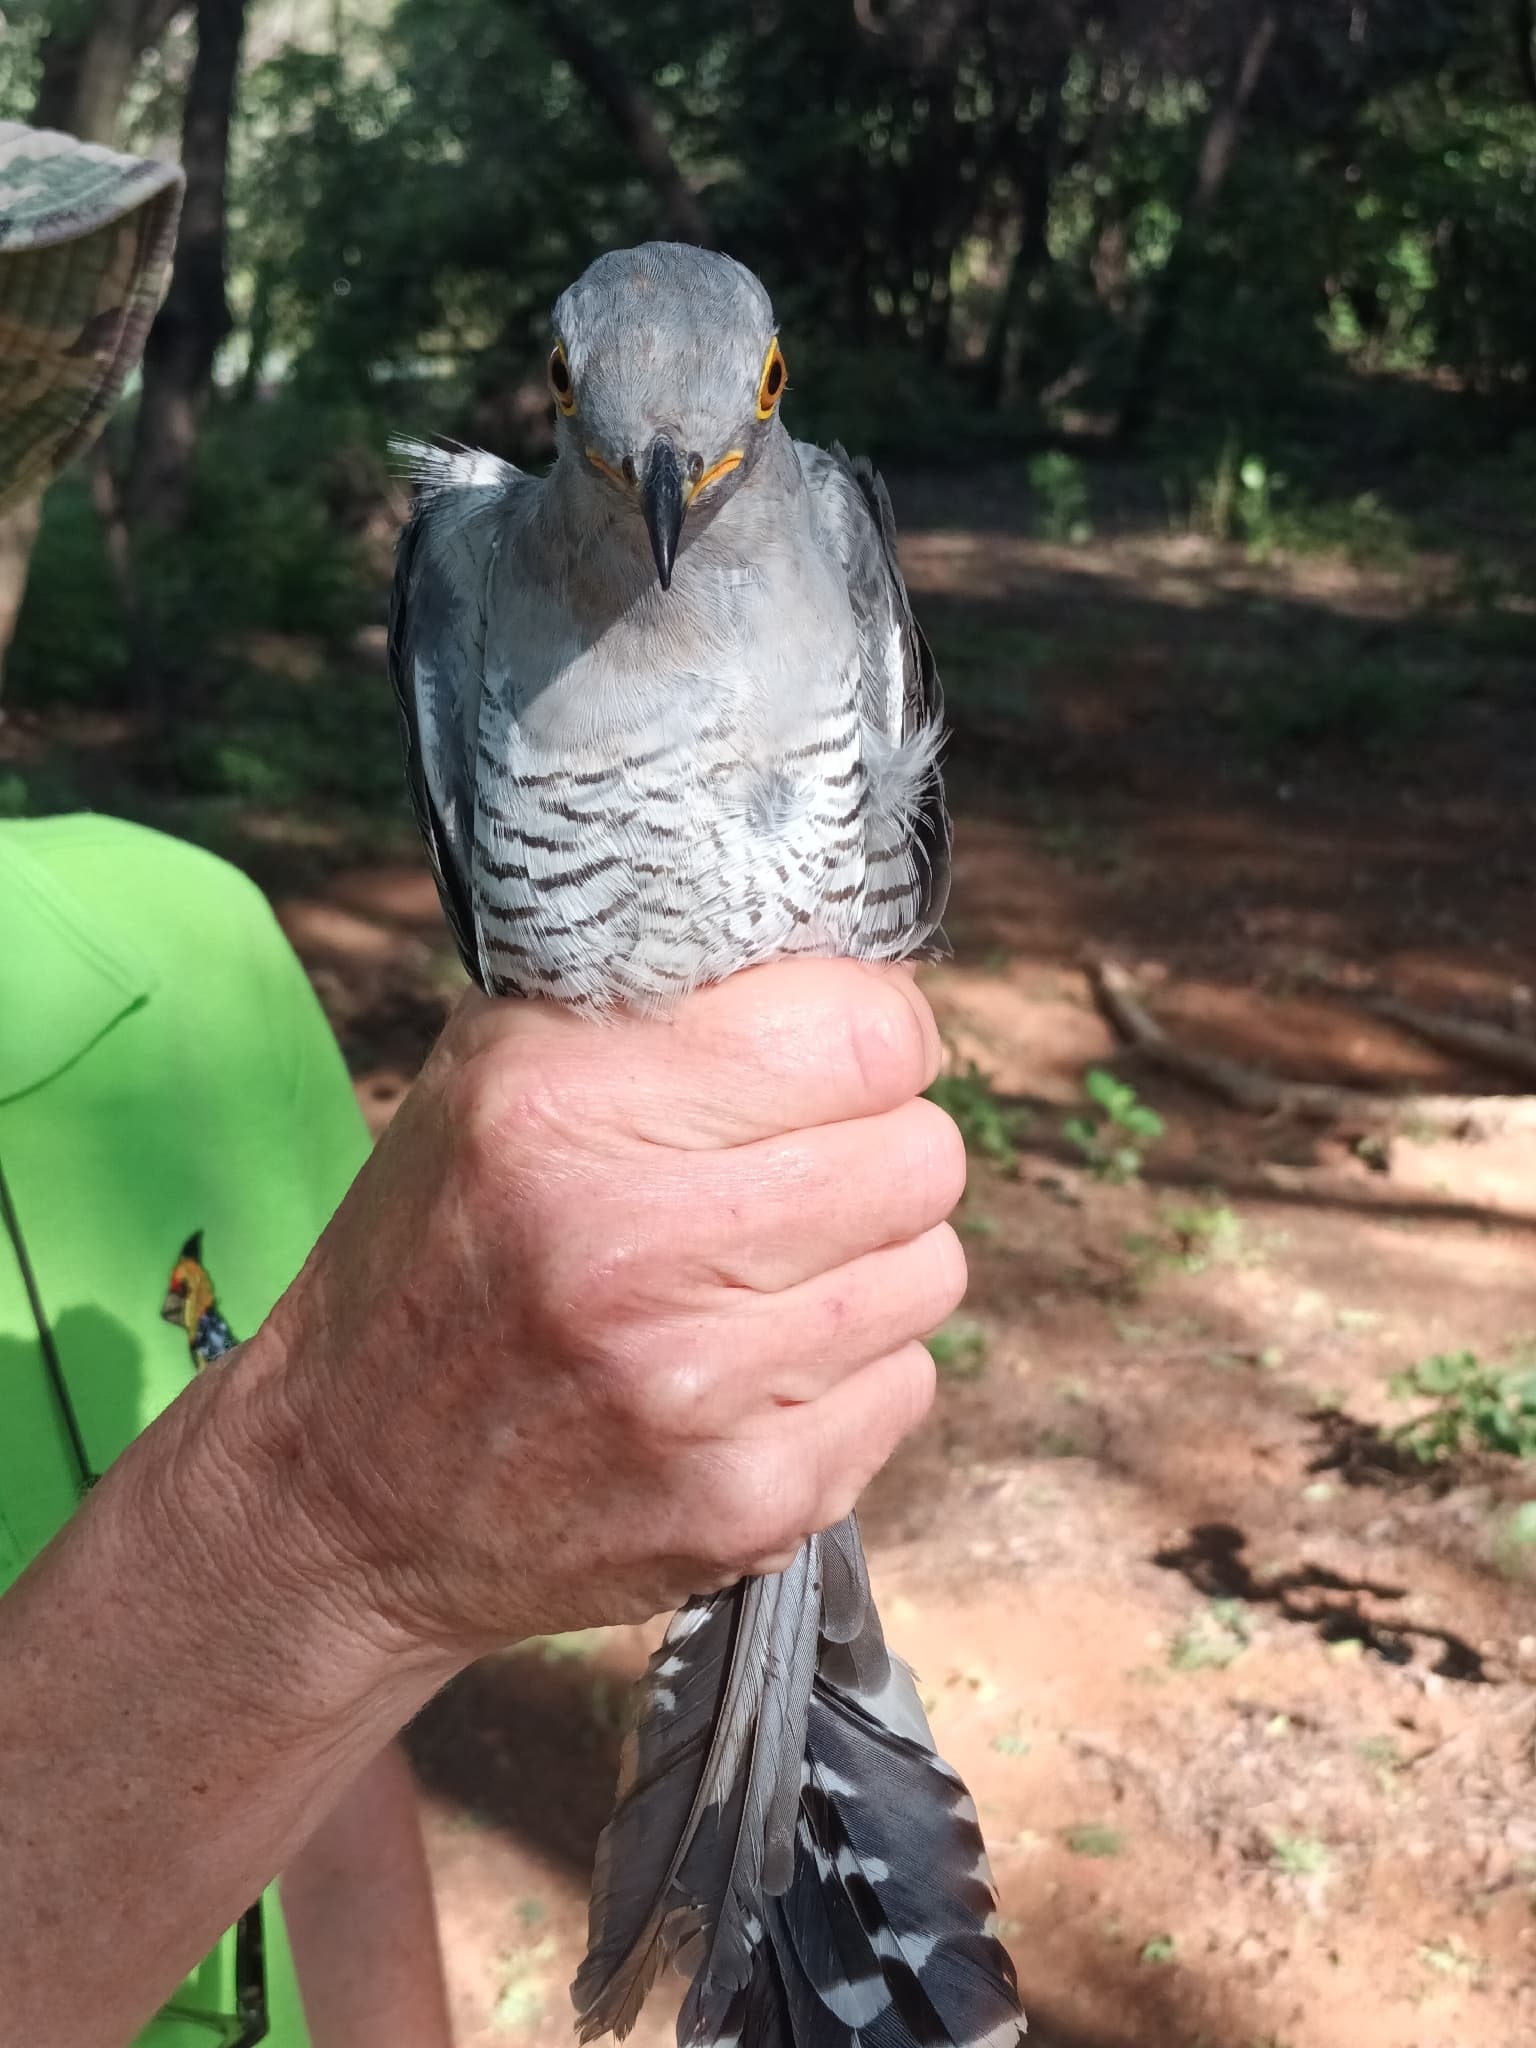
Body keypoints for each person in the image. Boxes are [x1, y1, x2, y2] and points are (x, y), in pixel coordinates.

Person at [0, 121, 967, 2048]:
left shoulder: (186, 949)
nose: (670, 502)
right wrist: (322, 1508)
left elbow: (334, 1782)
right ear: (559, 408)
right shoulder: (467, 565)